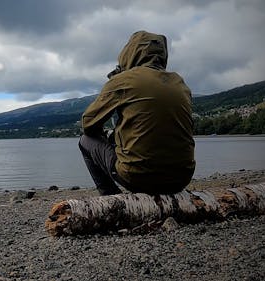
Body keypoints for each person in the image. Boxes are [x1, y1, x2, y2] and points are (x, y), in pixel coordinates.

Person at [79, 30, 195, 196]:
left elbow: (87, 124)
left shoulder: (124, 79)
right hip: (181, 179)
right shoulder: (179, 82)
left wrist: (114, 83)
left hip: (138, 178)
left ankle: (111, 197)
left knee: (85, 140)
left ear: (130, 52)